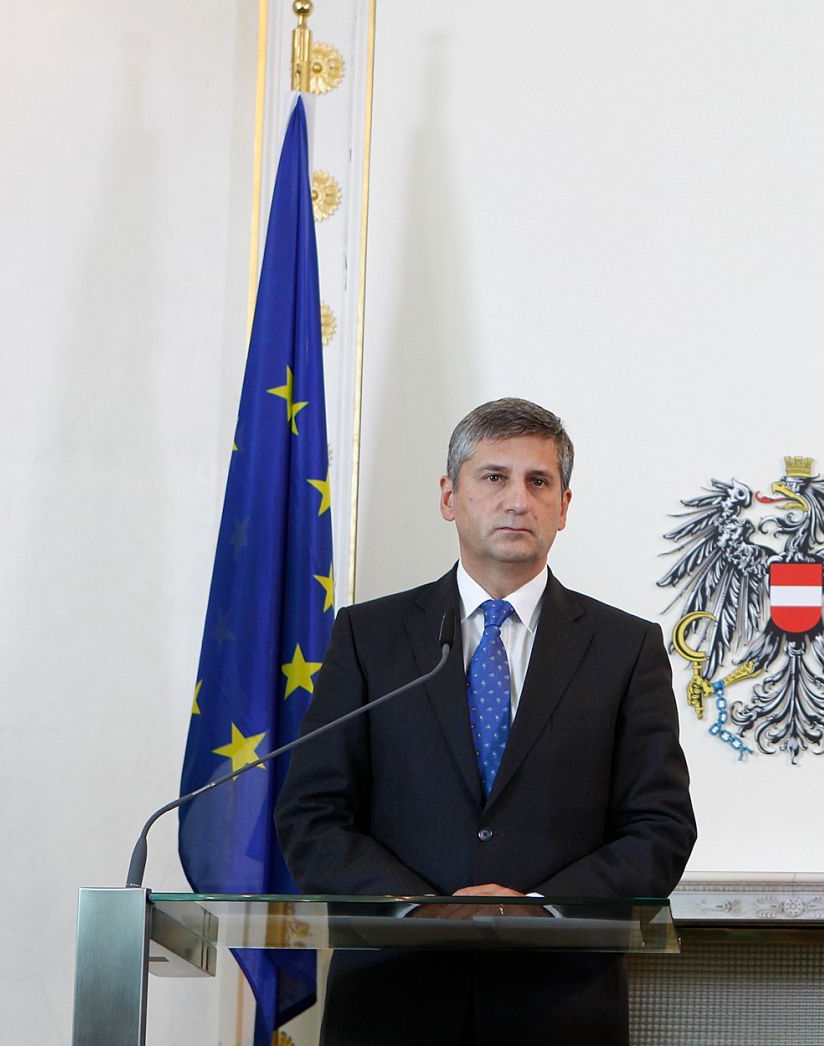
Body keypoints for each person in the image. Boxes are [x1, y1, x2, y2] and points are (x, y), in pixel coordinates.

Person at [277, 398, 696, 1045]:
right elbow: (312, 814)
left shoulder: (624, 648)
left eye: (538, 482)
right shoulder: (371, 637)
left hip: (559, 1008)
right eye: (493, 477)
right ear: (451, 496)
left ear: (563, 505)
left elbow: (660, 827)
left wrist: (538, 911)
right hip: (392, 1003)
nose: (517, 500)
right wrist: (421, 909)